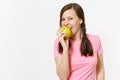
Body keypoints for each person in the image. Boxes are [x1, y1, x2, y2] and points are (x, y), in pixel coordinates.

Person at [54, 3, 105, 80]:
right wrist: (65, 49)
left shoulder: (95, 40)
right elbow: (63, 77)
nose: (66, 23)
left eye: (70, 18)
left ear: (80, 20)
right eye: (63, 19)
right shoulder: (59, 43)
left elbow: (100, 70)